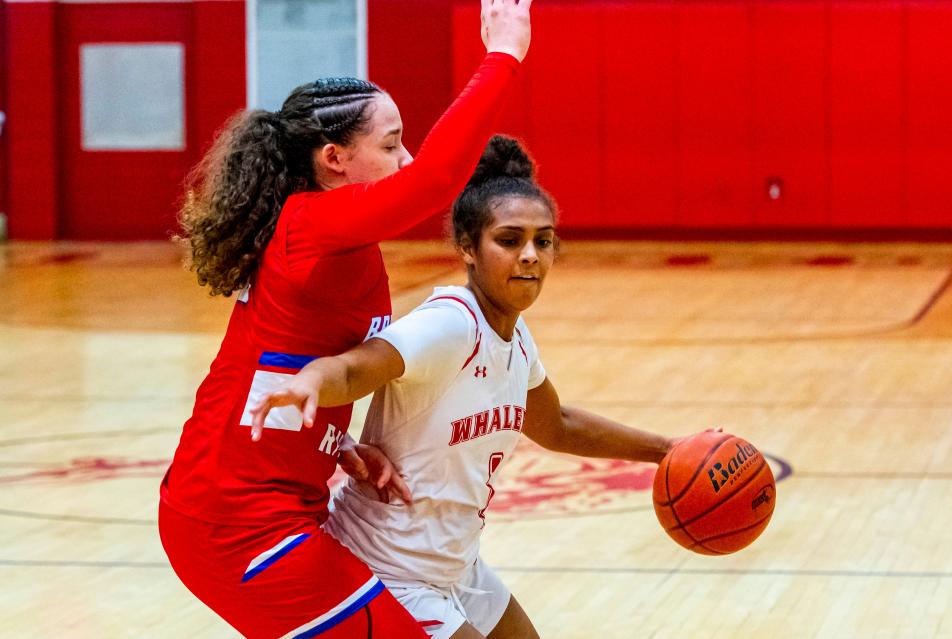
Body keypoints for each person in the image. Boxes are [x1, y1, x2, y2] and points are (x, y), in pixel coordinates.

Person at [158, 2, 534, 637]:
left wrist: (335, 442)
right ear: (334, 159)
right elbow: (438, 179)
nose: (407, 158)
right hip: (233, 525)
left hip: (271, 503)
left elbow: (276, 366)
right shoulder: (308, 224)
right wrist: (504, 53)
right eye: (391, 145)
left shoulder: (338, 243)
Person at [250, 136, 693, 639]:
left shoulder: (514, 336)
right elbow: (357, 369)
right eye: (509, 240)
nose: (530, 256)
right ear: (467, 247)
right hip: (388, 569)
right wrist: (313, 379)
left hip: (455, 564)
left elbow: (557, 424)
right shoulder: (450, 324)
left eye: (542, 241)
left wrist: (668, 450)